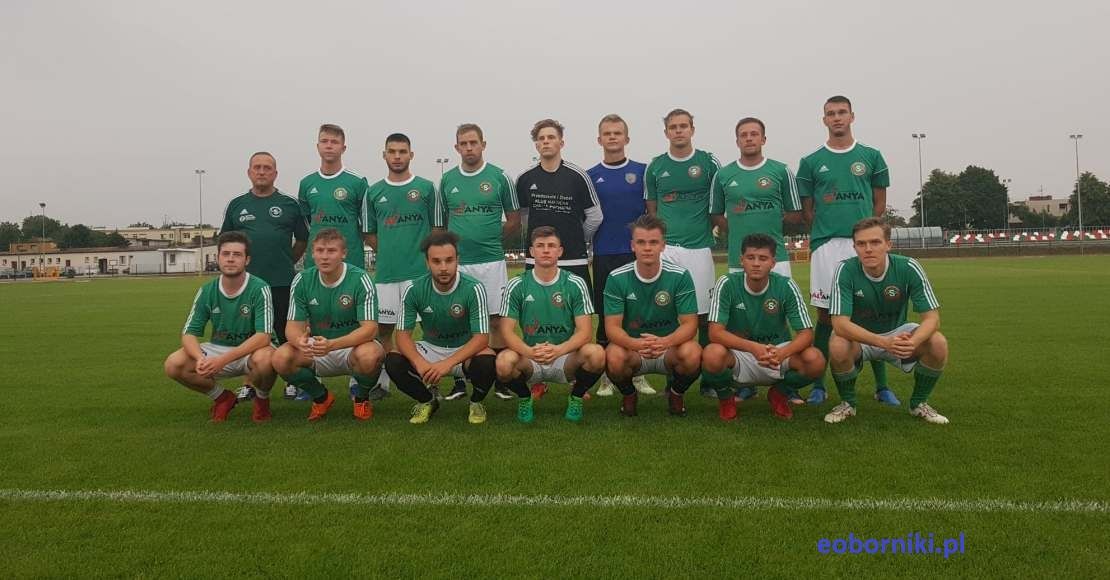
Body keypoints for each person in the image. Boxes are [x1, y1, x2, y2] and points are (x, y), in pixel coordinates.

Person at [796, 96, 894, 406]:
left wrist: (867, 235)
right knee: (826, 315)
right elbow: (807, 210)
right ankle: (819, 385)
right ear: (824, 120)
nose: (837, 117)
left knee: (870, 312)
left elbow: (879, 203)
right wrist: (827, 230)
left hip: (861, 245)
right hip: (826, 246)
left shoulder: (871, 156)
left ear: (852, 116)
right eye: (831, 113)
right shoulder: (811, 161)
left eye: (842, 112)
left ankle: (882, 386)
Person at [823, 218, 949, 425]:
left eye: (875, 242)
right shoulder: (845, 269)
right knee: (837, 344)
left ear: (888, 244)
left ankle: (918, 404)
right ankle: (848, 403)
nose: (868, 249)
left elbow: (932, 318)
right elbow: (840, 324)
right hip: (860, 336)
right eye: (861, 244)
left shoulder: (909, 267)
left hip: (898, 332)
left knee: (938, 343)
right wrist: (883, 342)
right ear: (854, 247)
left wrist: (913, 342)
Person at [515, 118, 602, 399]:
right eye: (541, 138)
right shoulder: (525, 179)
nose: (546, 142)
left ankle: (577, 379)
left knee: (579, 321)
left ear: (561, 142)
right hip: (537, 262)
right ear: (536, 144)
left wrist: (576, 239)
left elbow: (595, 216)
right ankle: (538, 374)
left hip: (573, 260)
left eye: (551, 137)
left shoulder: (577, 176)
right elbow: (524, 219)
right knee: (536, 315)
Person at [437, 123, 520, 401]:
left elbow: (514, 220)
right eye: (464, 143)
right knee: (458, 320)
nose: (469, 148)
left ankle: (499, 380)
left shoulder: (499, 177)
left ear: (483, 144)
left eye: (474, 142)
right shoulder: (447, 180)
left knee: (496, 321)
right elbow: (441, 224)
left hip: (492, 262)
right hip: (459, 264)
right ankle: (460, 380)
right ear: (456, 147)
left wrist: (491, 240)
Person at [701, 234, 824, 421]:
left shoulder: (786, 286)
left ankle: (779, 394)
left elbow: (806, 333)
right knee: (712, 354)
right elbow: (715, 333)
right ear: (742, 260)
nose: (756, 264)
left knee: (815, 360)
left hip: (776, 352)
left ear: (773, 263)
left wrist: (782, 353)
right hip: (740, 353)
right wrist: (753, 348)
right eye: (751, 257)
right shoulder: (727, 283)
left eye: (763, 258)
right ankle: (726, 398)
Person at [384, 230, 502, 425]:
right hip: (431, 348)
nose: (444, 267)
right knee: (393, 360)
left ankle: (476, 402)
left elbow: (481, 338)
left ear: (458, 260)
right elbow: (402, 336)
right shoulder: (414, 289)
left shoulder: (473, 288)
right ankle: (427, 400)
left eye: (449, 260)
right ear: (427, 263)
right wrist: (419, 362)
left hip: (464, 349)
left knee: (487, 360)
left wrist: (447, 363)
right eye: (436, 261)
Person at [270, 228, 385, 422]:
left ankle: (362, 397)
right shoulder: (302, 280)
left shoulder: (360, 279)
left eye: (331, 251)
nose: (324, 256)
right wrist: (299, 342)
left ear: (343, 253)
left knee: (371, 355)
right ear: (312, 254)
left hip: (352, 347)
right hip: (317, 346)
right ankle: (321, 397)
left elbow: (370, 329)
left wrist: (332, 344)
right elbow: (292, 327)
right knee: (281, 357)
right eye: (320, 250)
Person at [219, 151, 308, 401]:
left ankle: (292, 381)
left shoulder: (290, 204)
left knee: (287, 333)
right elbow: (226, 241)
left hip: (282, 282)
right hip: (247, 286)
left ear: (275, 173)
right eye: (257, 167)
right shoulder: (236, 205)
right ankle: (249, 383)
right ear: (249, 172)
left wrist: (286, 261)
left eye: (267, 168)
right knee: (250, 335)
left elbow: (303, 239)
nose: (261, 171)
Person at [644, 108, 719, 397]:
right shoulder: (656, 166)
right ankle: (673, 379)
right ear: (666, 132)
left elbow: (718, 203)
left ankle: (709, 380)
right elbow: (652, 210)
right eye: (673, 127)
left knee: (703, 317)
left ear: (692, 129)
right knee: (668, 314)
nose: (678, 131)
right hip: (668, 251)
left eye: (683, 126)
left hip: (699, 249)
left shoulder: (708, 162)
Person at [163, 232, 277, 423]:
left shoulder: (259, 288)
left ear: (247, 260)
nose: (230, 259)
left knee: (266, 360)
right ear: (218, 258)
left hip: (253, 350)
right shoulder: (207, 290)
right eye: (226, 254)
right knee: (174, 364)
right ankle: (223, 398)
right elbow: (189, 333)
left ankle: (262, 400)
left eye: (237, 254)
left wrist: (222, 361)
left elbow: (263, 337)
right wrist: (200, 358)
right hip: (219, 347)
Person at [495, 227, 605, 422]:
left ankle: (576, 397)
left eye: (551, 246)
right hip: (531, 357)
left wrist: (559, 350)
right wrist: (530, 352)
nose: (546, 250)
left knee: (597, 354)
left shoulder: (575, 283)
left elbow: (585, 332)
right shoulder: (517, 284)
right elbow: (506, 331)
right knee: (503, 363)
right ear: (532, 251)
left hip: (565, 357)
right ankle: (525, 397)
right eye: (540, 246)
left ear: (560, 251)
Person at [298, 123, 372, 401]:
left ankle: (357, 377)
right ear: (317, 146)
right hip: (316, 263)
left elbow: (365, 223)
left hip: (351, 262)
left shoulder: (357, 182)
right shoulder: (307, 183)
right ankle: (312, 376)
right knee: (312, 317)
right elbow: (307, 222)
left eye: (334, 142)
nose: (329, 145)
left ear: (343, 147)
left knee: (354, 316)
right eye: (324, 141)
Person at [363, 133, 438, 400]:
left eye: (402, 151)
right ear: (384, 155)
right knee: (384, 330)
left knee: (430, 328)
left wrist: (421, 257)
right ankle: (383, 382)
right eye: (392, 151)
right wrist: (390, 252)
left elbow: (437, 228)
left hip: (420, 274)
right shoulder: (373, 192)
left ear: (411, 155)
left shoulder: (426, 188)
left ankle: (431, 379)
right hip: (387, 274)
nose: (397, 156)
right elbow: (368, 232)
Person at [603, 214, 702, 417]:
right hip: (633, 349)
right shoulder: (616, 277)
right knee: (613, 356)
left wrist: (665, 342)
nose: (647, 248)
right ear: (632, 246)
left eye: (653, 242)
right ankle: (629, 394)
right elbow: (612, 328)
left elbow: (690, 324)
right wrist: (635, 343)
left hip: (668, 347)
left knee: (693, 353)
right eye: (641, 242)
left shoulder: (680, 276)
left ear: (663, 246)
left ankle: (676, 393)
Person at [587, 114, 655, 397]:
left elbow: (651, 213)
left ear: (627, 138)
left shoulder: (643, 171)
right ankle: (607, 375)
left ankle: (637, 372)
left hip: (636, 254)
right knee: (607, 315)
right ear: (599, 139)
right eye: (607, 133)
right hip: (605, 254)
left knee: (637, 313)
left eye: (617, 133)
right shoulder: (590, 176)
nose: (612, 137)